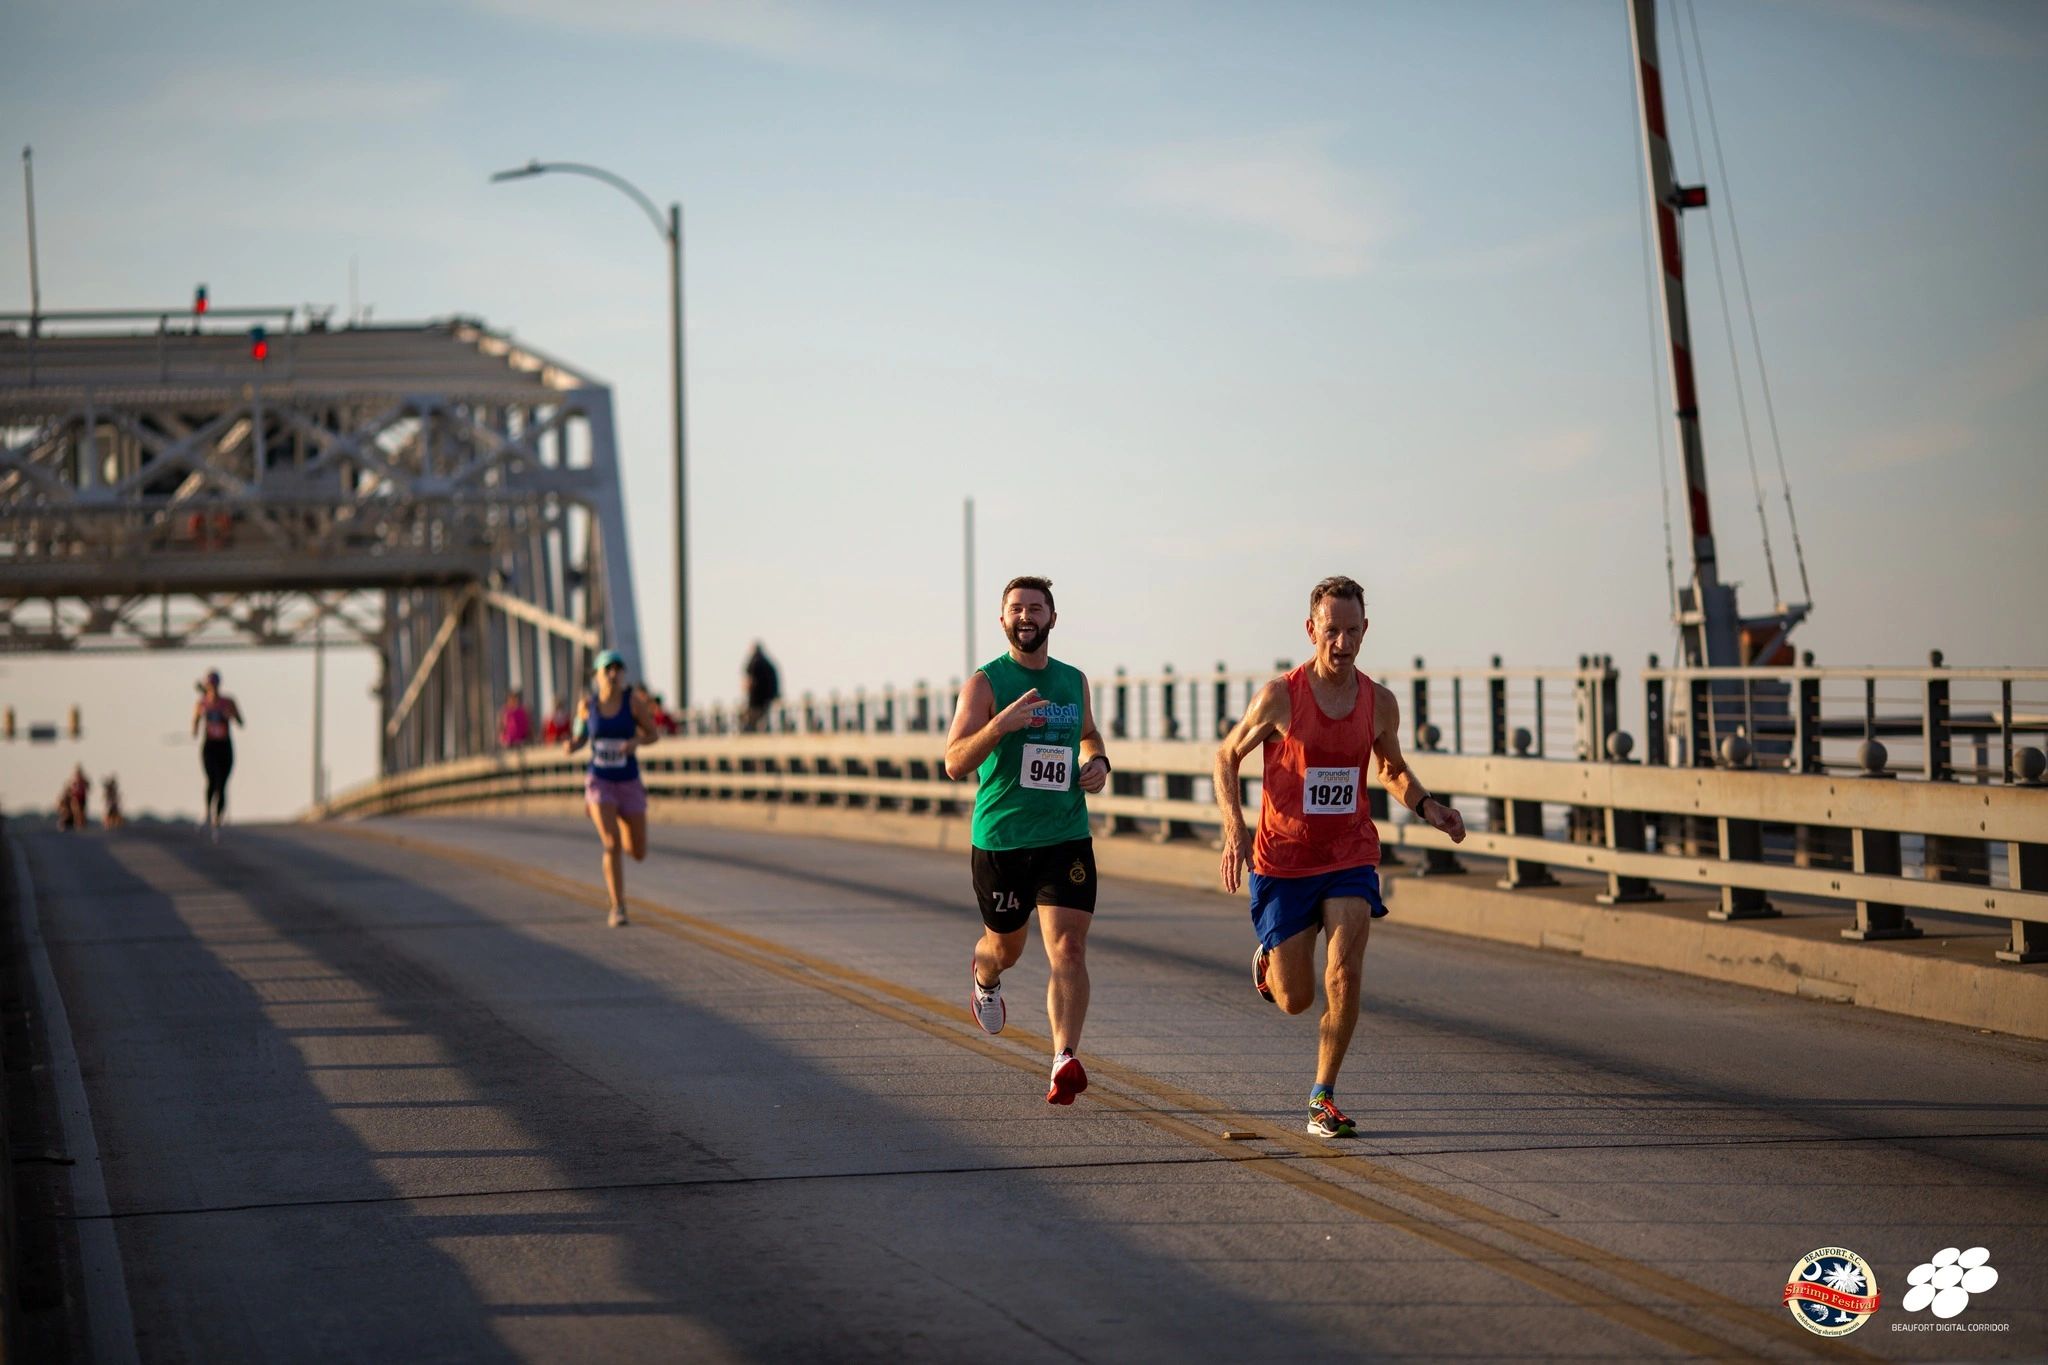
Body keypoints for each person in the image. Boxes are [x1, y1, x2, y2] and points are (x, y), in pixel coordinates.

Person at [1212, 576, 1465, 1138]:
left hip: (1350, 853)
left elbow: (1391, 770)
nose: (1343, 643)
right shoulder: (1281, 696)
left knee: (1345, 972)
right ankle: (1270, 963)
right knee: (1296, 1000)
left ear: (1365, 630)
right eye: (1332, 631)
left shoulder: (1379, 703)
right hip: (1283, 859)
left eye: (1353, 631)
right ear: (1311, 630)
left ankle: (1322, 1097)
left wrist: (1430, 808)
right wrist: (1235, 830)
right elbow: (1226, 757)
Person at [944, 577, 1111, 1105]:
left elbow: (1088, 733)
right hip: (1002, 840)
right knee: (1006, 949)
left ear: (1052, 619)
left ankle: (1064, 1056)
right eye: (1016, 608)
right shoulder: (985, 683)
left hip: (1065, 834)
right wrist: (1000, 725)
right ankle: (985, 975)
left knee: (1069, 946)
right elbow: (954, 762)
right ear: (1003, 621)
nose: (1026, 616)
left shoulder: (1072, 680)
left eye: (1035, 608)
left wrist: (1098, 762)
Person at [565, 649, 658, 927]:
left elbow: (653, 734)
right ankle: (618, 907)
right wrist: (572, 745)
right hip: (600, 781)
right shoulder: (587, 705)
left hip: (628, 780)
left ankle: (628, 840)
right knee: (610, 842)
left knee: (638, 851)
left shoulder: (633, 703)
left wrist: (635, 743)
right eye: (608, 669)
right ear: (597, 675)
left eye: (618, 668)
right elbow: (580, 736)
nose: (614, 674)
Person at [192, 670, 244, 842]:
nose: (213, 687)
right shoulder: (202, 703)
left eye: (215, 684)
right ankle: (207, 812)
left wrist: (232, 715)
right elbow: (195, 722)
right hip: (209, 747)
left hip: (224, 747)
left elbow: (241, 722)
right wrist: (194, 729)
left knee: (222, 783)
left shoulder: (228, 702)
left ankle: (217, 821)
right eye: (210, 684)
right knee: (212, 779)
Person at [742, 642, 781, 733]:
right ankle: (762, 730)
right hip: (767, 697)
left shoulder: (753, 662)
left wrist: (746, 690)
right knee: (763, 717)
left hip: (755, 697)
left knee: (753, 717)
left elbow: (748, 681)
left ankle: (752, 731)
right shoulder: (769, 663)